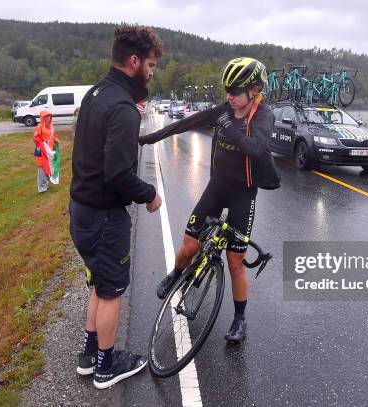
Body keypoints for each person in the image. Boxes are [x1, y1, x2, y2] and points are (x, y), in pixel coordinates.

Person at [139, 57, 280, 344]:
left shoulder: (263, 116)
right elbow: (186, 124)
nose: (229, 95)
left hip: (244, 192)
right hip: (217, 187)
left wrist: (229, 128)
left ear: (254, 89)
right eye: (227, 88)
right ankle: (176, 273)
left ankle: (240, 319)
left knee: (235, 260)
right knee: (189, 245)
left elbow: (256, 148)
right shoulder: (224, 110)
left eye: (236, 90)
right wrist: (145, 139)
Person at [69, 24, 163, 390]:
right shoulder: (124, 109)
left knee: (100, 282)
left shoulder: (96, 93)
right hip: (105, 217)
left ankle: (90, 353)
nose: (152, 73)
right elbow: (119, 175)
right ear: (134, 61)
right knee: (112, 291)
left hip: (81, 211)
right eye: (151, 65)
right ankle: (107, 366)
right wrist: (150, 194)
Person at [33, 110, 59, 192]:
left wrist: (56, 140)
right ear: (42, 118)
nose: (48, 118)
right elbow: (35, 137)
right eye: (46, 117)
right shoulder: (39, 126)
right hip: (42, 151)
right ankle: (41, 188)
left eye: (49, 116)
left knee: (49, 167)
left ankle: (46, 184)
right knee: (41, 168)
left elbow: (52, 135)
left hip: (50, 151)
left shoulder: (51, 125)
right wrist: (42, 144)